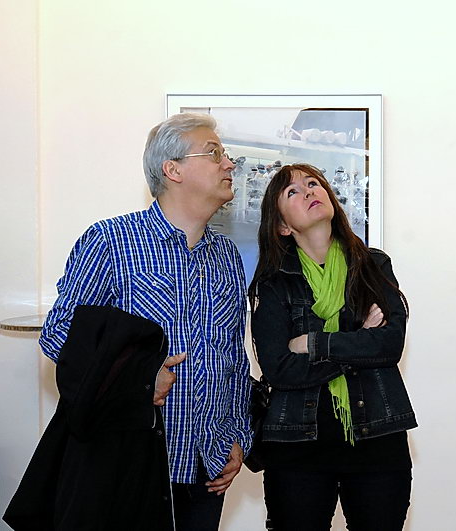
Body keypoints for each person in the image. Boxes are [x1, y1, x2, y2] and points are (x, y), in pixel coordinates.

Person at [39, 113, 252, 531]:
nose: (230, 164)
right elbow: (59, 336)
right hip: (130, 462)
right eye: (214, 153)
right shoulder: (110, 241)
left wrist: (238, 435)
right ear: (172, 169)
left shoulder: (227, 256)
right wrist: (137, 378)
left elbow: (233, 357)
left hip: (207, 467)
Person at [248, 163, 417, 531]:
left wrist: (313, 343)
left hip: (377, 440)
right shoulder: (273, 283)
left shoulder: (373, 265)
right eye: (293, 192)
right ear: (282, 226)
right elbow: (279, 368)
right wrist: (359, 343)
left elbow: (390, 344)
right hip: (297, 446)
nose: (309, 191)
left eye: (313, 183)